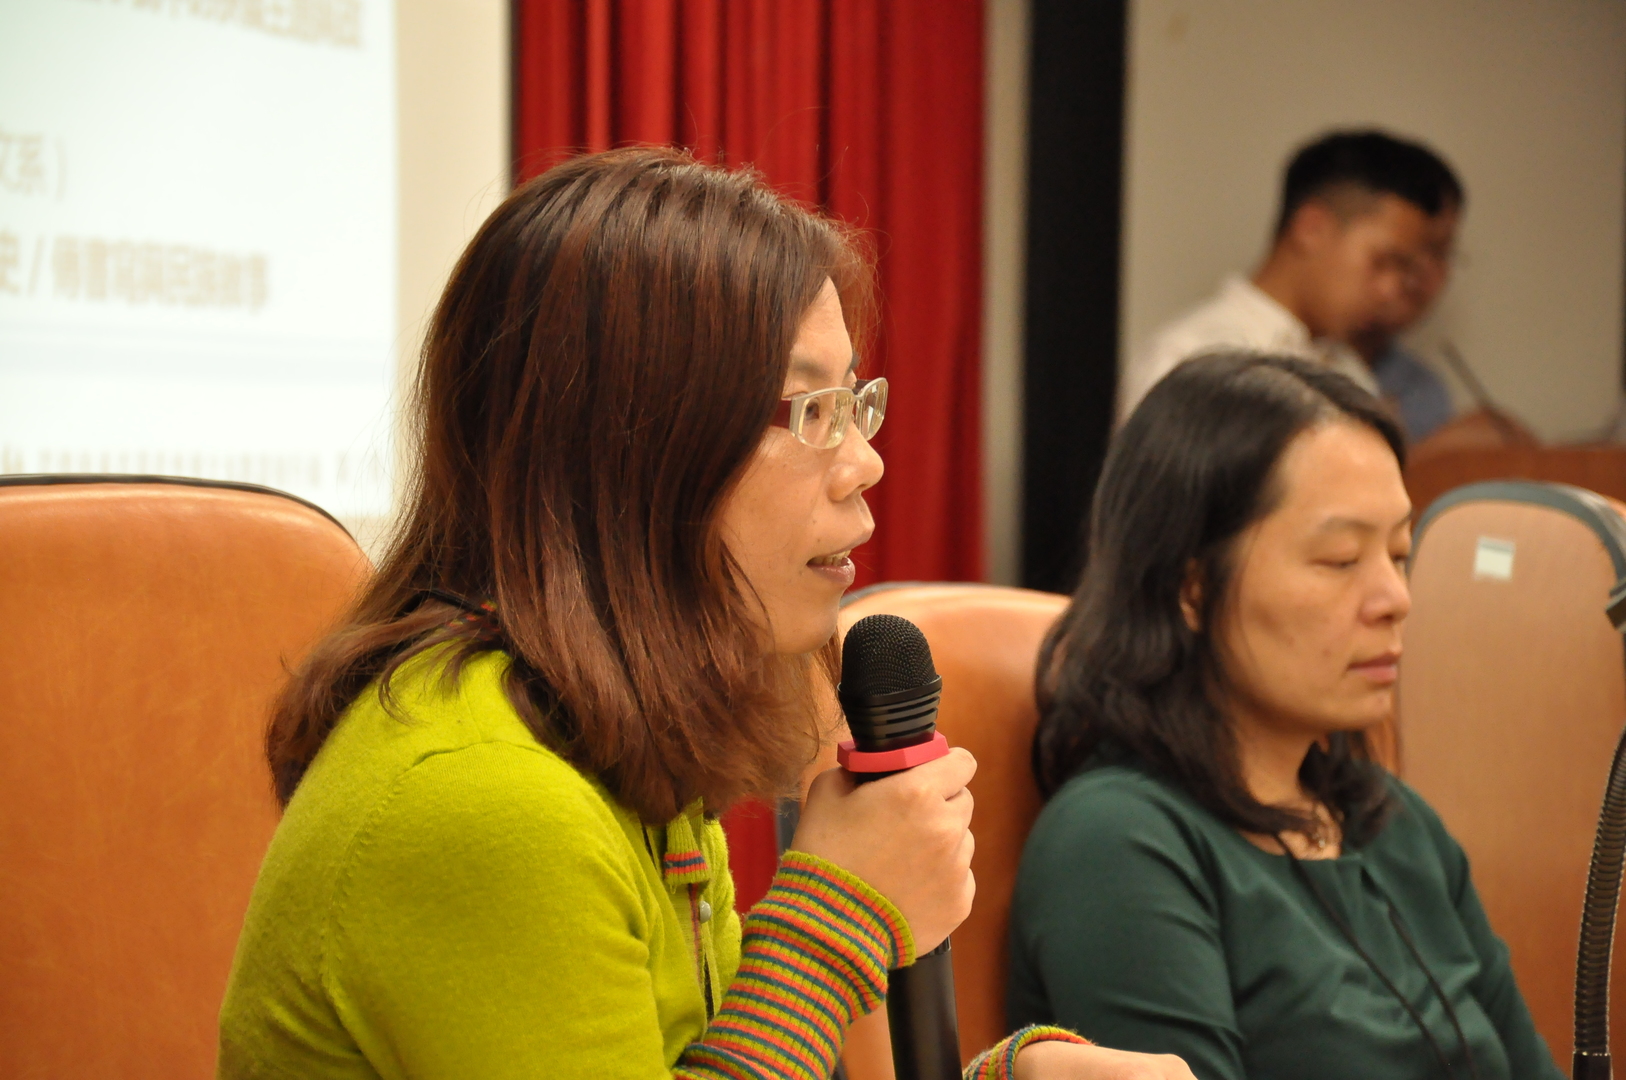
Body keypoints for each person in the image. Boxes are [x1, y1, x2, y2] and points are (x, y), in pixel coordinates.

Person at [217, 148, 1194, 1080]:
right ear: (626, 455)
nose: (864, 462)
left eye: (855, 404)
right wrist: (833, 924)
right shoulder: (483, 797)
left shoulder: (619, 743)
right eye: (809, 411)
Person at [1009, 353, 1563, 1080]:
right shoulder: (1117, 841)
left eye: (1399, 553)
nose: (1395, 599)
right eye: (1340, 559)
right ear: (1191, 588)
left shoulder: (1397, 825)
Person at [1119, 131, 1463, 442]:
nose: (1391, 290)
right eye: (1383, 262)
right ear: (1311, 228)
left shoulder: (1347, 367)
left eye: (1405, 270)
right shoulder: (1191, 358)